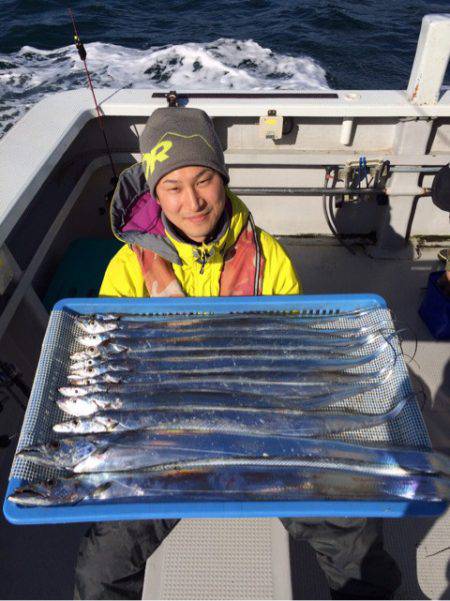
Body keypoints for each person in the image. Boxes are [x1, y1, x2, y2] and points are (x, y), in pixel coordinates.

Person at [74, 107, 401, 600]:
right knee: (102, 567)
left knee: (354, 527)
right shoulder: (126, 268)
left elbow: (290, 360)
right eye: (173, 187)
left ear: (223, 177)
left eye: (204, 180)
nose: (193, 202)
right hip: (167, 443)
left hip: (262, 429)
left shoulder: (270, 258)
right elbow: (115, 369)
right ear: (154, 192)